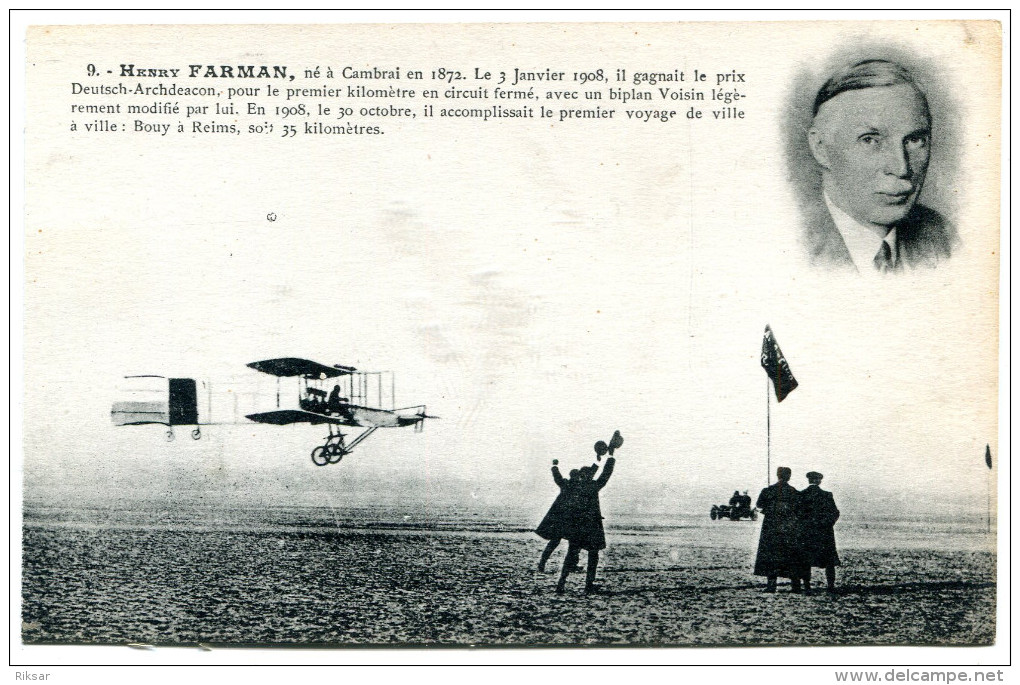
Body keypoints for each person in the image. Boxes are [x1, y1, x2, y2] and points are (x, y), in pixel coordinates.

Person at [803, 59, 957, 272]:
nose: (901, 168)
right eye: (870, 140)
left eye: (915, 140)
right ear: (820, 148)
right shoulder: (787, 240)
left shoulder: (944, 237)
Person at [556, 447, 617, 595]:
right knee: (593, 555)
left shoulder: (574, 486)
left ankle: (561, 583)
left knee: (571, 554)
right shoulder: (593, 486)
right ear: (588, 476)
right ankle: (588, 585)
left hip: (576, 526)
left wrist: (599, 458)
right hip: (591, 526)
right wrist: (611, 456)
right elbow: (605, 474)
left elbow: (596, 471)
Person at [754, 466, 806, 593]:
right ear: (789, 476)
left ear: (778, 475)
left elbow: (759, 505)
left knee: (771, 554)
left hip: (771, 527)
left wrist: (769, 509)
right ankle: (796, 585)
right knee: (791, 555)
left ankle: (771, 585)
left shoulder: (768, 490)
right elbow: (800, 510)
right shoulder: (794, 492)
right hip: (789, 528)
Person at [535, 461, 583, 573]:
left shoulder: (566, 484)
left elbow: (557, 477)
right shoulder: (577, 487)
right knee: (573, 544)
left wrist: (555, 466)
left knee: (558, 542)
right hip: (570, 520)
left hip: (563, 520)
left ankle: (543, 563)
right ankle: (570, 565)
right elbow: (557, 477)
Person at [798, 471, 841, 593]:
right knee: (829, 560)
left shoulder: (802, 495)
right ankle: (830, 585)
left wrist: (803, 526)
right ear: (819, 481)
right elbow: (835, 513)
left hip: (807, 532)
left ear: (808, 480)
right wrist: (827, 524)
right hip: (824, 533)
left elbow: (797, 514)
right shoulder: (827, 495)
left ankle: (806, 585)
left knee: (806, 559)